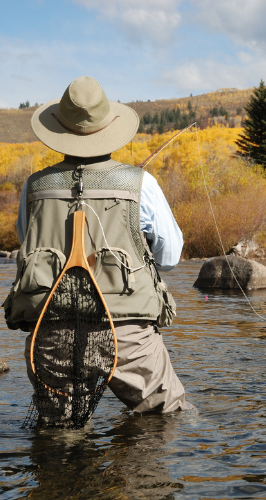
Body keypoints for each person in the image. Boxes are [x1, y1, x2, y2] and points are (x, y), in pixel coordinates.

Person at [3, 76, 192, 424]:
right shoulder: (142, 184)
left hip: (50, 329)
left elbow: (26, 244)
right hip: (129, 333)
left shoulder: (34, 186)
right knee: (165, 420)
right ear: (108, 127)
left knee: (59, 438)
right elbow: (171, 257)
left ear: (59, 130)